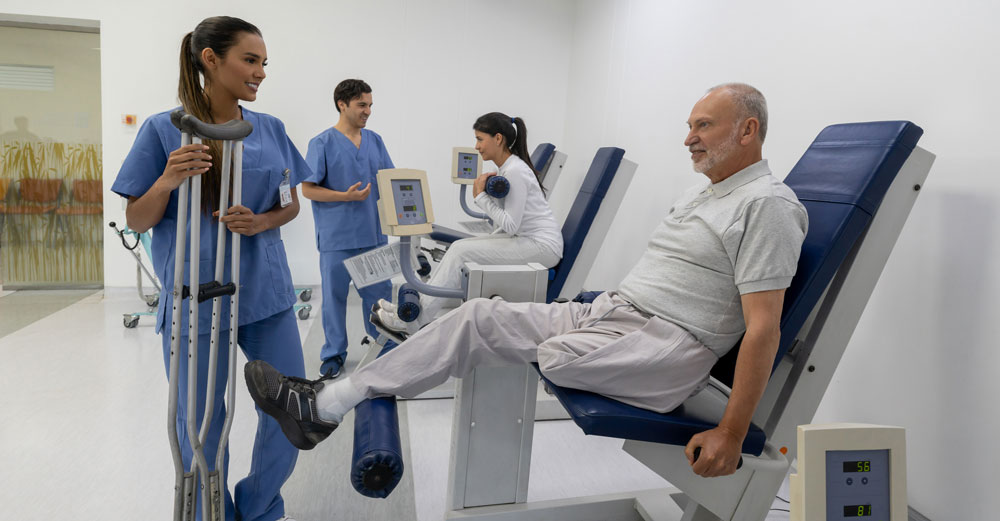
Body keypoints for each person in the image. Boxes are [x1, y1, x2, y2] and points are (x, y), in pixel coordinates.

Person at [246, 83, 808, 478]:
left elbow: (763, 329)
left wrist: (732, 434)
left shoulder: (766, 205)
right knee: (474, 315)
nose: (688, 137)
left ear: (748, 129)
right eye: (688, 125)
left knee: (555, 355)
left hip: (666, 343)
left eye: (702, 126)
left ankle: (340, 394)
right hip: (614, 313)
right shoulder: (704, 194)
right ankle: (323, 407)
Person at [111, 16, 307, 521]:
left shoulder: (272, 130)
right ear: (210, 59)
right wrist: (166, 181)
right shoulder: (162, 129)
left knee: (292, 409)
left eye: (264, 63)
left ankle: (260, 505)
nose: (261, 72)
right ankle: (206, 512)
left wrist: (262, 219)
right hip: (194, 294)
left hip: (264, 293)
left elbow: (291, 204)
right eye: (250, 60)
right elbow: (136, 218)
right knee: (200, 420)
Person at [375, 112, 563, 331]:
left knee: (461, 252)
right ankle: (415, 310)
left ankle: (413, 322)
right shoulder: (507, 168)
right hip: (529, 240)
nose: (476, 146)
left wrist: (480, 197)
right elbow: (510, 225)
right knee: (459, 247)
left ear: (498, 139)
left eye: (480, 139)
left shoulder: (515, 171)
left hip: (542, 248)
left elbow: (511, 225)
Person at [301, 79, 396, 380]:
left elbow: (390, 182)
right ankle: (333, 354)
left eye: (370, 105)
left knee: (379, 299)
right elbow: (308, 189)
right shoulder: (322, 144)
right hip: (336, 238)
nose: (368, 111)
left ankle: (380, 348)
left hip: (373, 235)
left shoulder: (375, 140)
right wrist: (344, 197)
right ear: (342, 104)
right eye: (362, 105)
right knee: (334, 299)